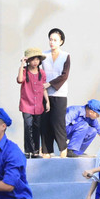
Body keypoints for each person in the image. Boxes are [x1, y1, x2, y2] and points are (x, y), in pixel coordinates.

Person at [41, 27, 70, 157]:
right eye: (50, 39)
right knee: (45, 122)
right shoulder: (43, 55)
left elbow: (64, 75)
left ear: (61, 42)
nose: (52, 42)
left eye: (55, 40)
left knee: (58, 122)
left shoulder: (65, 56)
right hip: (45, 93)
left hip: (60, 94)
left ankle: (63, 148)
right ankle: (47, 151)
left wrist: (50, 83)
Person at [17, 47, 50, 157]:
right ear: (28, 60)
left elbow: (43, 88)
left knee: (37, 128)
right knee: (28, 127)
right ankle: (28, 151)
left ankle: (36, 151)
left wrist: (47, 101)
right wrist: (22, 64)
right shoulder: (24, 71)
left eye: (37, 59)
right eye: (32, 59)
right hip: (26, 104)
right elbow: (20, 80)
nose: (35, 62)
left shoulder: (42, 73)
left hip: (38, 105)